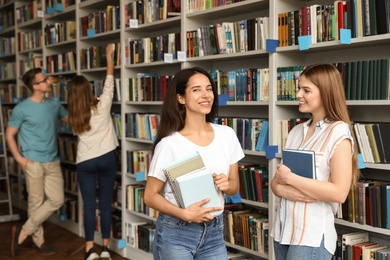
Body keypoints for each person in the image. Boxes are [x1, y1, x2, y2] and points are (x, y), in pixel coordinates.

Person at [144, 67, 245, 259]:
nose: (206, 95)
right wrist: (184, 214)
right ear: (181, 98)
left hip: (214, 231)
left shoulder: (227, 135)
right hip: (176, 233)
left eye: (209, 89)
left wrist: (227, 184)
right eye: (196, 90)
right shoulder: (169, 144)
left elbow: (234, 188)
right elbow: (150, 196)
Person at [270, 64, 359, 260]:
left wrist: (291, 179)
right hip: (283, 231)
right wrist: (279, 188)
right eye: (299, 88)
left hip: (311, 236)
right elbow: (277, 181)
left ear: (326, 92)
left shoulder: (338, 132)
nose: (299, 94)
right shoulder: (295, 131)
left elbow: (339, 193)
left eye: (306, 90)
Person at [7, 68, 68, 257]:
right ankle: (39, 242)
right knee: (35, 202)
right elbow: (10, 135)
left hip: (52, 161)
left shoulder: (54, 105)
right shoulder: (22, 108)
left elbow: (71, 120)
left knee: (57, 199)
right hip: (32, 162)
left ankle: (24, 230)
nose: (49, 82)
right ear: (35, 86)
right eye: (44, 80)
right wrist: (19, 158)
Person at [67, 43, 119, 260]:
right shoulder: (102, 104)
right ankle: (106, 248)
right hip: (107, 157)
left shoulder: (73, 114)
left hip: (85, 162)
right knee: (105, 205)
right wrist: (109, 55)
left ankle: (90, 250)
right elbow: (109, 80)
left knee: (89, 206)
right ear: (89, 89)